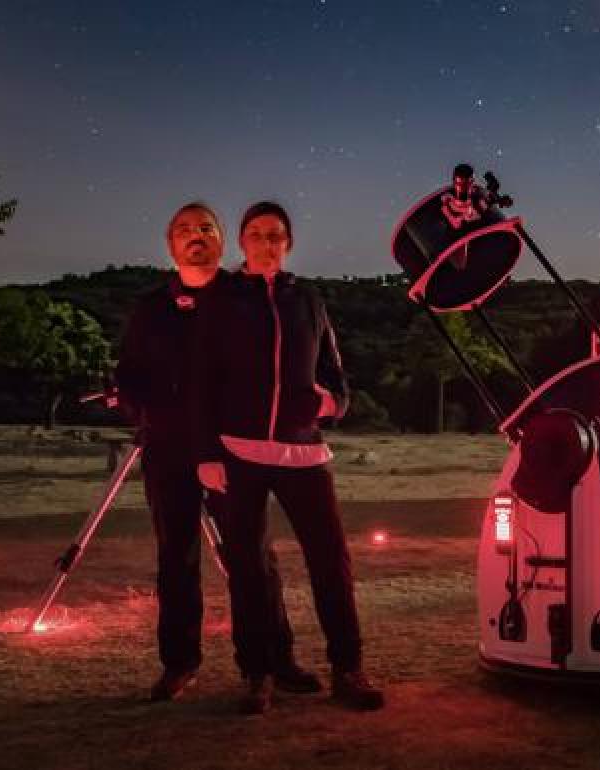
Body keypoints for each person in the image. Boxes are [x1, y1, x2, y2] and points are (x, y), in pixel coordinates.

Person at [114, 202, 320, 702]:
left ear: (223, 240)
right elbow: (129, 374)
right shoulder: (151, 308)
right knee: (176, 557)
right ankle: (180, 662)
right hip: (169, 450)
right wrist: (145, 418)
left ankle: (275, 660)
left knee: (253, 558)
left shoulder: (244, 300)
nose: (195, 236)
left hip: (233, 451)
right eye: (184, 230)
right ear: (170, 244)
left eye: (205, 227)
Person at [193, 201, 385, 714]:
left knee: (331, 562)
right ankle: (257, 674)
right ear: (242, 242)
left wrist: (331, 401)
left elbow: (337, 375)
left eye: (276, 235)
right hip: (239, 451)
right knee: (248, 568)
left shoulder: (310, 300)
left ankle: (348, 668)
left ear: (289, 242)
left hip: (303, 451)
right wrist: (206, 454)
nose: (266, 243)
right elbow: (202, 382)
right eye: (256, 234)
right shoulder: (221, 299)